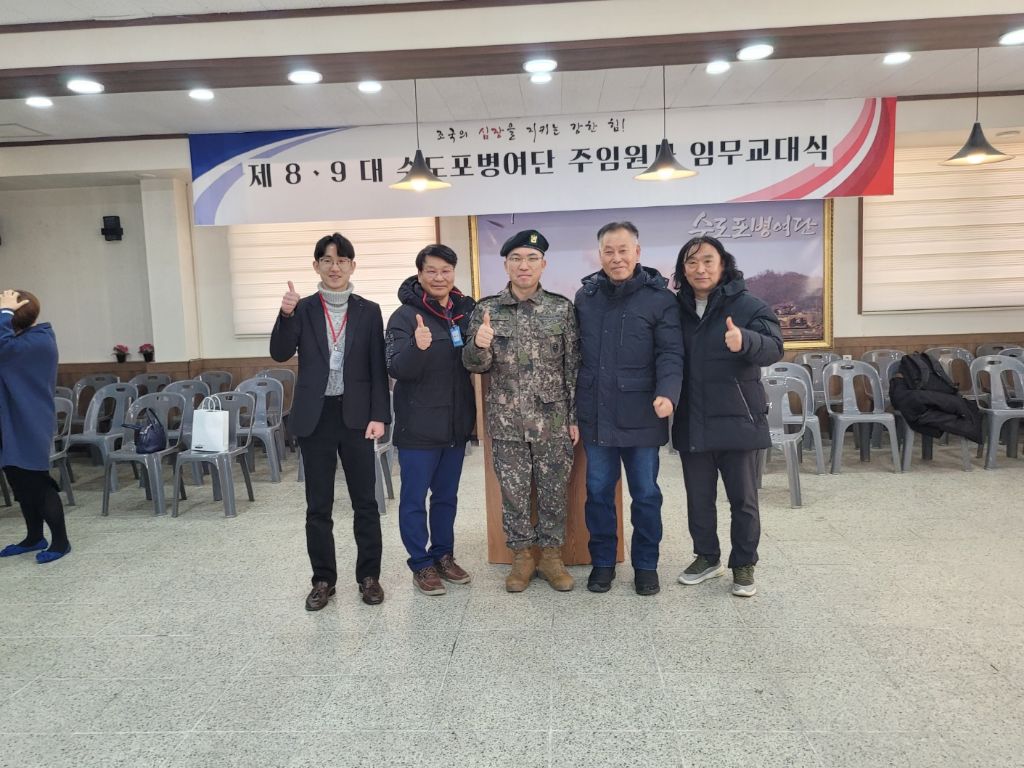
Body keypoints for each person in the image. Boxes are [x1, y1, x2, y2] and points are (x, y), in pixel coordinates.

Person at [270, 232, 390, 611]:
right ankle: (323, 580)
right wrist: (285, 314)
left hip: (356, 417)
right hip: (316, 416)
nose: (334, 267)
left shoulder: (369, 310)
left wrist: (379, 415)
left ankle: (369, 577)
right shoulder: (303, 308)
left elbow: (377, 367)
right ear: (316, 266)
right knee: (318, 506)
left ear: (353, 266)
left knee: (365, 502)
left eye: (341, 260)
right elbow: (279, 352)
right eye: (327, 260)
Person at [463, 229, 580, 593]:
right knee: (513, 493)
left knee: (554, 489)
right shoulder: (487, 310)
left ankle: (551, 556)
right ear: (506, 266)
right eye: (516, 259)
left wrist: (573, 418)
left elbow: (573, 367)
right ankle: (522, 557)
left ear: (543, 264)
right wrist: (479, 344)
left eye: (531, 259)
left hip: (553, 420)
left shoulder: (561, 308)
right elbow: (474, 365)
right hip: (507, 420)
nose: (523, 265)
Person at [574, 222, 683, 596]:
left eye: (623, 250)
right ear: (600, 255)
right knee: (598, 493)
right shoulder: (586, 297)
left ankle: (646, 565)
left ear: (637, 252)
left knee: (646, 494)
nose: (616, 258)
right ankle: (603, 563)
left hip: (642, 414)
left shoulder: (660, 298)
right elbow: (575, 357)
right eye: (609, 251)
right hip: (597, 414)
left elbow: (671, 352)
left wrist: (668, 393)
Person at [672, 235, 783, 597]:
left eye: (707, 260)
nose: (700, 269)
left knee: (743, 500)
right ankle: (707, 557)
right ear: (683, 269)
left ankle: (744, 563)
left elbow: (774, 347)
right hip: (693, 418)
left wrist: (746, 341)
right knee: (698, 498)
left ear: (723, 264)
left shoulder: (749, 305)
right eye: (691, 262)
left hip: (739, 418)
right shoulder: (676, 309)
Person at [385, 244, 477, 596]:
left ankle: (443, 555)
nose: (439, 277)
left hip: (455, 424)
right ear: (420, 274)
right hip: (418, 426)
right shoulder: (404, 317)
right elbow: (396, 368)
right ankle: (420, 564)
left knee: (446, 497)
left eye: (446, 270)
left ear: (454, 273)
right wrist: (417, 346)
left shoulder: (464, 312)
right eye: (432, 271)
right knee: (413, 499)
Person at [0, 289, 71, 564]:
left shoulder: (38, 341)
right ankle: (34, 537)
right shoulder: (19, 341)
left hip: (28, 422)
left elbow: (3, 349)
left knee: (37, 484)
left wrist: (5, 311)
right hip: (9, 421)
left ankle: (61, 542)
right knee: (19, 483)